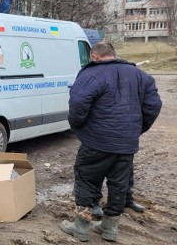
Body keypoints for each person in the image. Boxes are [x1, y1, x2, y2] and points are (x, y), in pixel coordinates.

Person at [60, 42, 162, 242]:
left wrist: (79, 128)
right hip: (126, 143)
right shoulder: (141, 76)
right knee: (119, 184)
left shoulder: (91, 74)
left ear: (95, 57)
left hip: (97, 141)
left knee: (86, 178)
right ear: (114, 55)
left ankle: (81, 227)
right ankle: (109, 228)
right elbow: (153, 106)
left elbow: (78, 104)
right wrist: (136, 130)